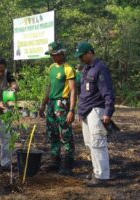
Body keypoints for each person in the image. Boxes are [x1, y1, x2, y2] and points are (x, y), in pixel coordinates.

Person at [75, 42, 115, 186]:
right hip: (86, 111)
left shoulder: (100, 68)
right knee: (89, 143)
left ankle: (102, 177)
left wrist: (108, 111)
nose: (80, 59)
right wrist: (80, 111)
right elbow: (84, 92)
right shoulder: (86, 69)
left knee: (98, 143)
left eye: (81, 56)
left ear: (89, 53)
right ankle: (96, 170)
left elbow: (108, 91)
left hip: (97, 110)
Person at [39, 41, 77, 176]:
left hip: (62, 104)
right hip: (51, 104)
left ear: (62, 53)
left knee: (65, 133)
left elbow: (73, 90)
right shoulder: (51, 68)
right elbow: (49, 87)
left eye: (55, 54)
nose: (53, 57)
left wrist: (72, 110)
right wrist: (43, 104)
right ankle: (55, 160)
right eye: (51, 55)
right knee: (52, 133)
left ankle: (68, 163)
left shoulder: (68, 69)